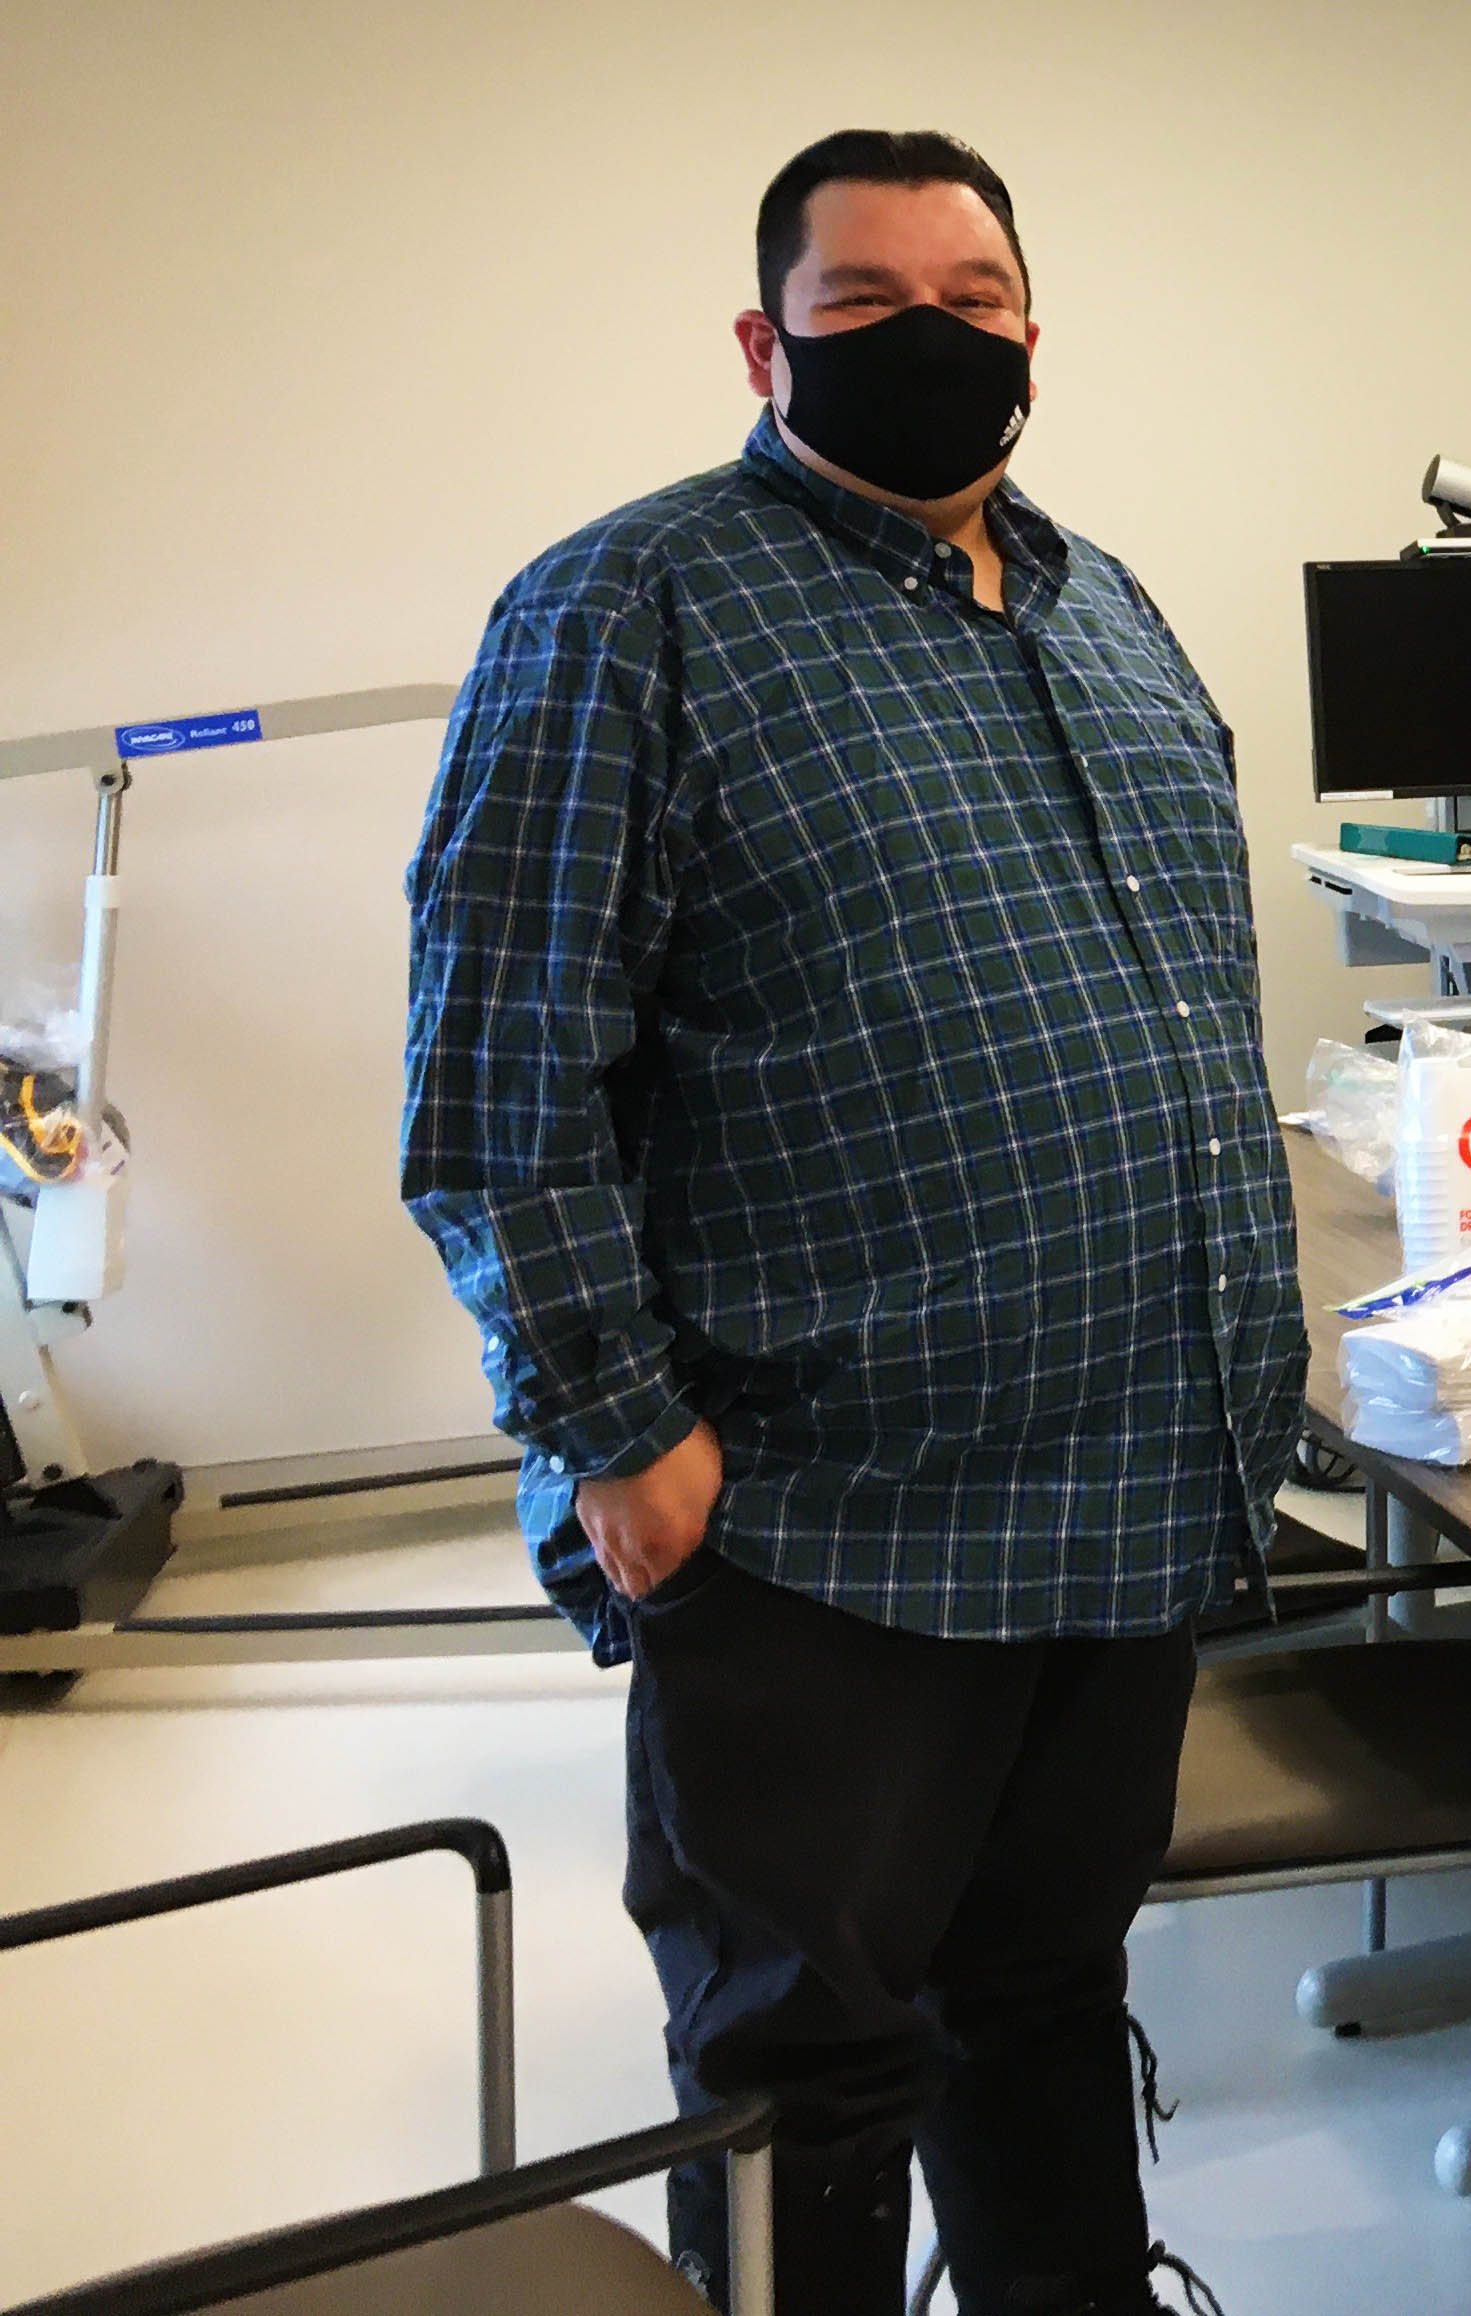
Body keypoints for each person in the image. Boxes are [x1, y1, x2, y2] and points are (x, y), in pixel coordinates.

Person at [401, 130, 1300, 2315]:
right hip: (825, 1524)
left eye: (974, 301)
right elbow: (501, 1087)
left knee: (1047, 1997)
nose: (934, 339)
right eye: (870, 301)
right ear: (765, 336)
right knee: (809, 2065)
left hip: (1119, 1495)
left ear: (1030, 328)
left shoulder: (1102, 607)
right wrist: (618, 1433)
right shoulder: (629, 612)